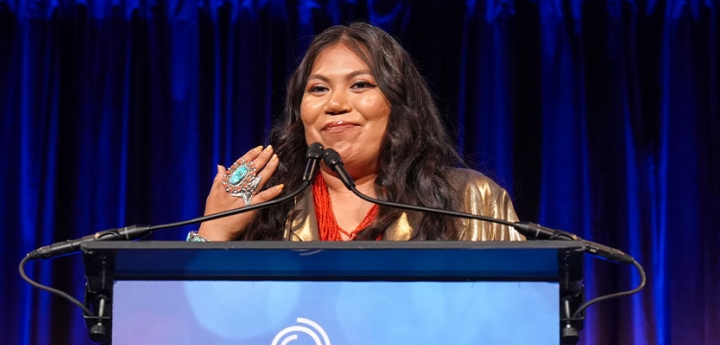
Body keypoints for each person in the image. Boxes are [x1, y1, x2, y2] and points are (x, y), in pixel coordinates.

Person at [189, 22, 523, 242]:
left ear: (398, 103)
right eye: (318, 89)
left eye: (360, 84)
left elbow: (513, 321)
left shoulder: (469, 200)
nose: (335, 103)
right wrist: (214, 229)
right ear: (299, 113)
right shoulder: (266, 207)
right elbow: (205, 329)